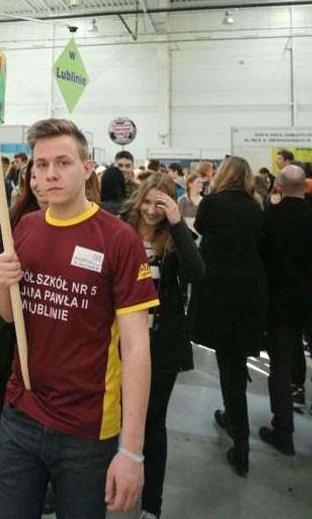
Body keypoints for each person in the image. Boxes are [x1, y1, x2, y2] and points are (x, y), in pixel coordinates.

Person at [0, 118, 158, 519]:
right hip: (21, 414)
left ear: (86, 167)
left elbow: (136, 348)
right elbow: (8, 316)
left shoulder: (119, 239)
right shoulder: (24, 228)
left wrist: (132, 451)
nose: (50, 173)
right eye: (41, 164)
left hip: (87, 429)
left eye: (62, 162)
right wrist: (3, 284)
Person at [122, 173, 205, 519]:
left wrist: (177, 222)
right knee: (110, 416)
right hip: (118, 344)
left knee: (153, 423)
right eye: (147, 201)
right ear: (138, 198)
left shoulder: (175, 238)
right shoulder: (121, 230)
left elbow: (197, 273)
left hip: (160, 347)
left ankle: (151, 504)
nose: (151, 210)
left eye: (161, 204)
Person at [189, 156, 267, 477]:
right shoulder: (256, 207)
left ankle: (240, 439)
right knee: (235, 361)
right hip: (250, 289)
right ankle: (233, 420)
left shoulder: (212, 204)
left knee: (228, 362)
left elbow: (201, 230)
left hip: (218, 290)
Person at [0, 159, 50, 514]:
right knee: (3, 422)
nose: (40, 181)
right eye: (33, 175)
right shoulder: (14, 222)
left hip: (55, 344)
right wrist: (6, 275)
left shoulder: (87, 225)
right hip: (12, 340)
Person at [258, 165, 312, 456]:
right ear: (305, 186)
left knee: (279, 366)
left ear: (279, 185)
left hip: (280, 303)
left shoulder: (270, 217)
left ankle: (283, 430)